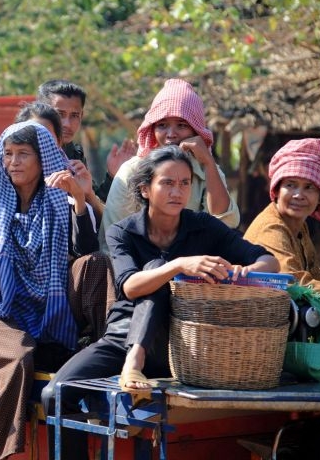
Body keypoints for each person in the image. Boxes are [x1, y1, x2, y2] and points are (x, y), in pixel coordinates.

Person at [42, 145, 279, 459]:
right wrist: (179, 266)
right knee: (53, 395)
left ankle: (134, 365)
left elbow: (269, 261)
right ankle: (131, 364)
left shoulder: (204, 226)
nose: (177, 191)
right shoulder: (122, 231)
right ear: (145, 189)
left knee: (157, 270)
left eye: (184, 183)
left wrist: (242, 272)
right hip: (121, 339)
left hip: (177, 344)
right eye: (167, 183)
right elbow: (129, 286)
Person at [0, 121, 99, 460]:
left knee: (95, 263)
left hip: (48, 301)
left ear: (43, 159)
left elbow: (85, 248)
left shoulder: (59, 196)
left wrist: (79, 198)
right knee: (18, 357)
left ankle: (104, 345)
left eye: (23, 154)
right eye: (8, 154)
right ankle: (3, 451)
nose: (13, 161)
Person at [101, 78, 240, 236]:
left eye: (181, 125)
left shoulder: (207, 171)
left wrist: (208, 162)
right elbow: (113, 236)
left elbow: (226, 224)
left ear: (195, 131)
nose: (171, 135)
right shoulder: (132, 172)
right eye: (162, 125)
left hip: (199, 258)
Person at [244, 138, 320, 302]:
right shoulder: (271, 226)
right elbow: (293, 281)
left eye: (309, 187)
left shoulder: (299, 225)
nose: (298, 195)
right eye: (290, 185)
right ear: (277, 190)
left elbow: (315, 274)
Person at [36, 80, 136, 209]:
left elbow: (94, 204)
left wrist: (112, 175)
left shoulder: (73, 153)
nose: (67, 124)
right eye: (60, 114)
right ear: (41, 113)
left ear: (81, 116)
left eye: (74, 115)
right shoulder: (25, 150)